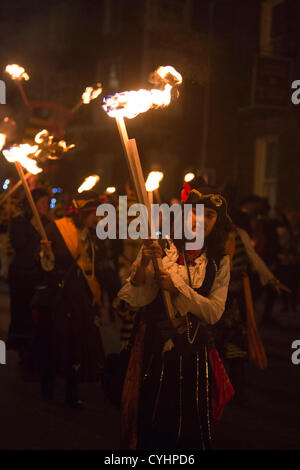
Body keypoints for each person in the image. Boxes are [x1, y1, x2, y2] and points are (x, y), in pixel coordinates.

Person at [117, 178, 233, 450]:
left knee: (188, 425)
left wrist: (179, 289)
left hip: (194, 354)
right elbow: (137, 295)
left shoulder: (219, 261)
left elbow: (214, 312)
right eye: (195, 211)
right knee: (152, 420)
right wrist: (145, 262)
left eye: (210, 215)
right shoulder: (161, 246)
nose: (201, 220)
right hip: (156, 350)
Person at [39, 191, 104, 408]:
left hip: (81, 300)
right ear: (83, 213)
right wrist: (46, 254)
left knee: (77, 344)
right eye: (93, 214)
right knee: (56, 342)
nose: (97, 218)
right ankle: (47, 386)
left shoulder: (91, 235)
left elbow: (92, 268)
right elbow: (47, 267)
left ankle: (72, 391)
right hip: (61, 298)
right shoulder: (57, 229)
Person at [214, 220, 291, 403]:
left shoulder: (240, 234)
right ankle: (216, 390)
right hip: (217, 297)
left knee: (237, 348)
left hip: (237, 298)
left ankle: (236, 392)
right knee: (214, 346)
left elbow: (253, 257)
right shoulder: (212, 236)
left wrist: (271, 279)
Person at [7, 188, 52, 373]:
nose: (45, 206)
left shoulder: (48, 223)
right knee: (22, 313)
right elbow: (19, 245)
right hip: (21, 274)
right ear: (32, 204)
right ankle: (23, 354)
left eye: (47, 203)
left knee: (39, 316)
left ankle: (37, 354)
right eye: (41, 203)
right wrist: (33, 226)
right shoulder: (18, 222)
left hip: (39, 275)